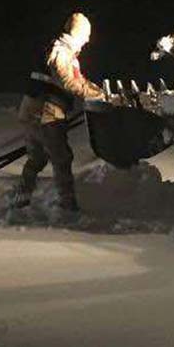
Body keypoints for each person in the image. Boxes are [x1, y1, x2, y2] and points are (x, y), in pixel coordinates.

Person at [12, 12, 105, 211]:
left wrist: (98, 90)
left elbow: (78, 80)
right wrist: (96, 95)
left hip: (32, 109)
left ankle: (21, 199)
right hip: (47, 112)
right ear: (78, 33)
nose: (88, 40)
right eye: (86, 35)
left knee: (37, 158)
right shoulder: (61, 52)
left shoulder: (64, 51)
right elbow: (68, 82)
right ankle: (68, 204)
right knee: (61, 158)